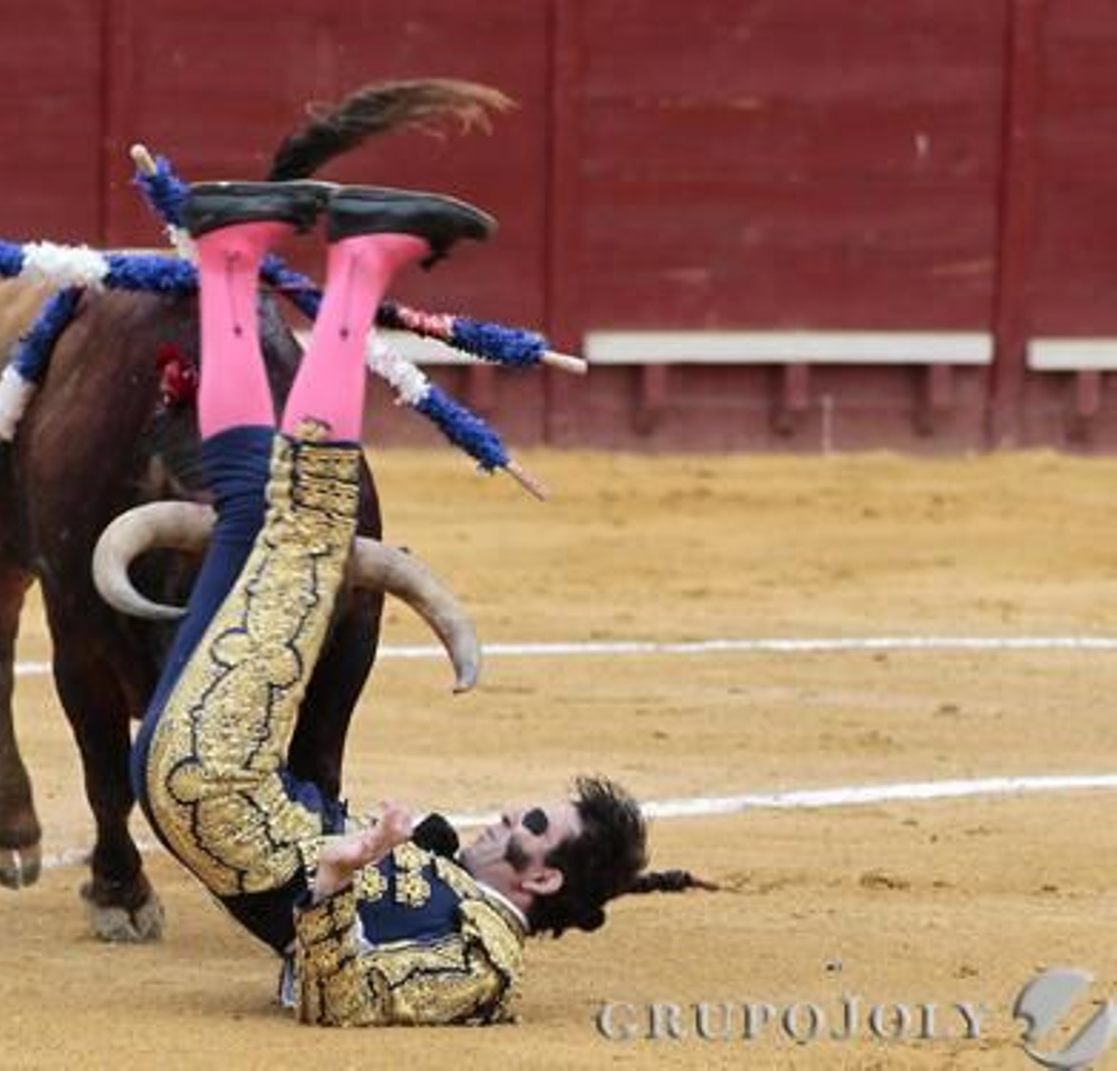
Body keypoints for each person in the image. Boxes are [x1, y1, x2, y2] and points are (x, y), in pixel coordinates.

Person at [129, 179, 700, 1026]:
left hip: (222, 783)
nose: (509, 813)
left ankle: (360, 263)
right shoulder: (446, 878)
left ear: (541, 878)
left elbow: (340, 1000)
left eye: (531, 822)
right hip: (214, 780)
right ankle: (227, 256)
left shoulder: (481, 964)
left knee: (318, 516)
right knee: (251, 503)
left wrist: (331, 880)